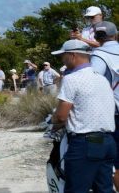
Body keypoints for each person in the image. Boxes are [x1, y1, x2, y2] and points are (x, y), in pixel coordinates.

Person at [50, 40, 116, 193]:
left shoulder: (72, 79)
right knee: (104, 189)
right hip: (107, 141)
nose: (62, 60)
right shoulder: (102, 79)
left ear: (72, 55)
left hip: (85, 143)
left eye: (63, 56)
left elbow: (61, 116)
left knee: (76, 189)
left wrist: (51, 123)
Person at [90, 23, 119, 191]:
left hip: (114, 114)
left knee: (115, 163)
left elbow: (93, 82)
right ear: (115, 34)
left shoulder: (99, 55)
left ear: (96, 38)